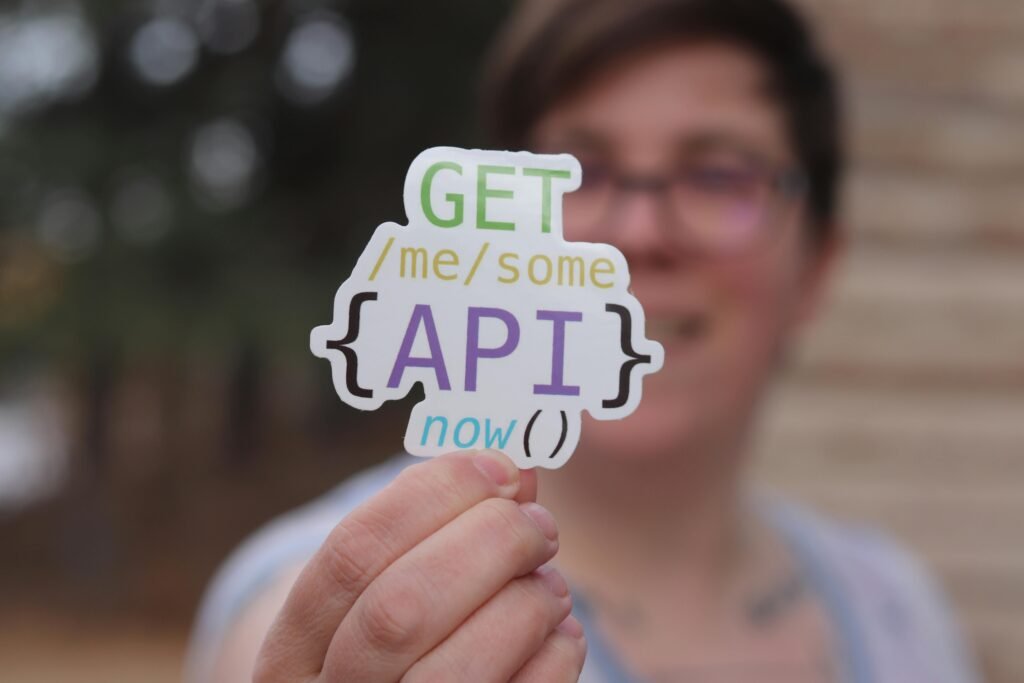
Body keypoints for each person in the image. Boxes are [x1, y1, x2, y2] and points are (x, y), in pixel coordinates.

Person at [187, 0, 981, 681]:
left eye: (718, 175)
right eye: (578, 172)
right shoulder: (326, 599)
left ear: (816, 266)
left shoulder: (901, 612)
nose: (636, 233)